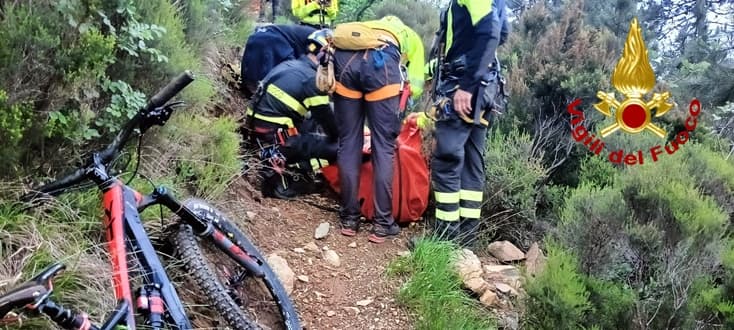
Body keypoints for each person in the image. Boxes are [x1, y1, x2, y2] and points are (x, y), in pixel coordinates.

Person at [330, 15, 425, 243]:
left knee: (349, 141)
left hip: (345, 62)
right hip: (381, 66)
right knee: (383, 146)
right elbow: (417, 84)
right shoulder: (410, 36)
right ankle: (382, 224)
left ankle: (349, 219)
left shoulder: (367, 28)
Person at [430, 0, 510, 247]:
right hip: (487, 89)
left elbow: (491, 32)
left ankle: (445, 241)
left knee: (447, 160)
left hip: (464, 88)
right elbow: (503, 33)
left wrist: (465, 85)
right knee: (472, 164)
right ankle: (466, 241)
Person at [245, 29, 339, 199]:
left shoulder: (289, 65)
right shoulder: (312, 80)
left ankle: (296, 165)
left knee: (311, 122)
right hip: (276, 141)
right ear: (327, 57)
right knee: (339, 147)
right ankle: (300, 174)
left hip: (259, 133)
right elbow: (330, 126)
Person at [240, 24, 317, 98]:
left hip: (257, 35)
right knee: (289, 72)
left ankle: (251, 88)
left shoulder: (313, 35)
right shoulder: (322, 41)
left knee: (256, 65)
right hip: (274, 39)